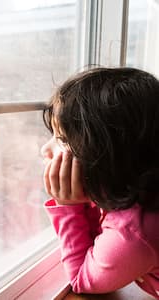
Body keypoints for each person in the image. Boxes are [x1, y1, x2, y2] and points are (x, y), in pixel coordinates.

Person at [41, 67, 159, 299]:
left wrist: (69, 206)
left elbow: (81, 279)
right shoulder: (140, 190)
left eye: (62, 139)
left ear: (111, 155)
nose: (45, 149)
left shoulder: (132, 235)